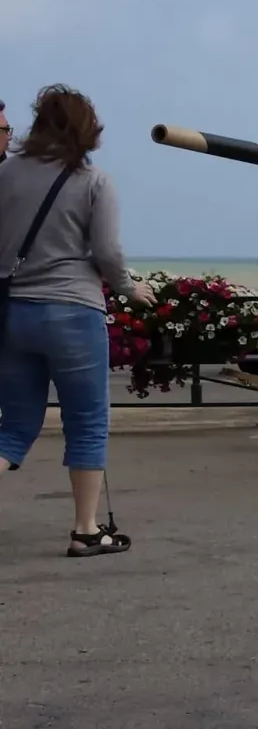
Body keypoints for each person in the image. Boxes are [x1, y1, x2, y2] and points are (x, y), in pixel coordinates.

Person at [0, 85, 153, 557]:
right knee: (86, 421)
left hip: (14, 313)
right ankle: (87, 529)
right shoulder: (93, 182)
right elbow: (106, 252)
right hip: (72, 311)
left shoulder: (4, 174)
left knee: (13, 428)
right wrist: (131, 288)